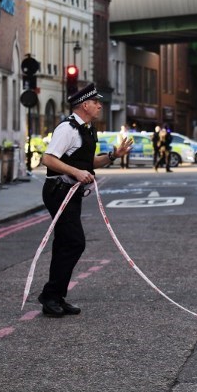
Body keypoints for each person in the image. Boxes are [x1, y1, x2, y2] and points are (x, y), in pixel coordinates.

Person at [38, 83, 132, 318]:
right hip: (58, 191)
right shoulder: (67, 129)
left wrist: (113, 156)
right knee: (74, 242)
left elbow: (88, 163)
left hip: (72, 192)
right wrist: (76, 173)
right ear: (84, 105)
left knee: (65, 243)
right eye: (96, 102)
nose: (100, 105)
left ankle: (56, 297)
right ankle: (50, 295)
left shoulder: (87, 129)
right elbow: (48, 159)